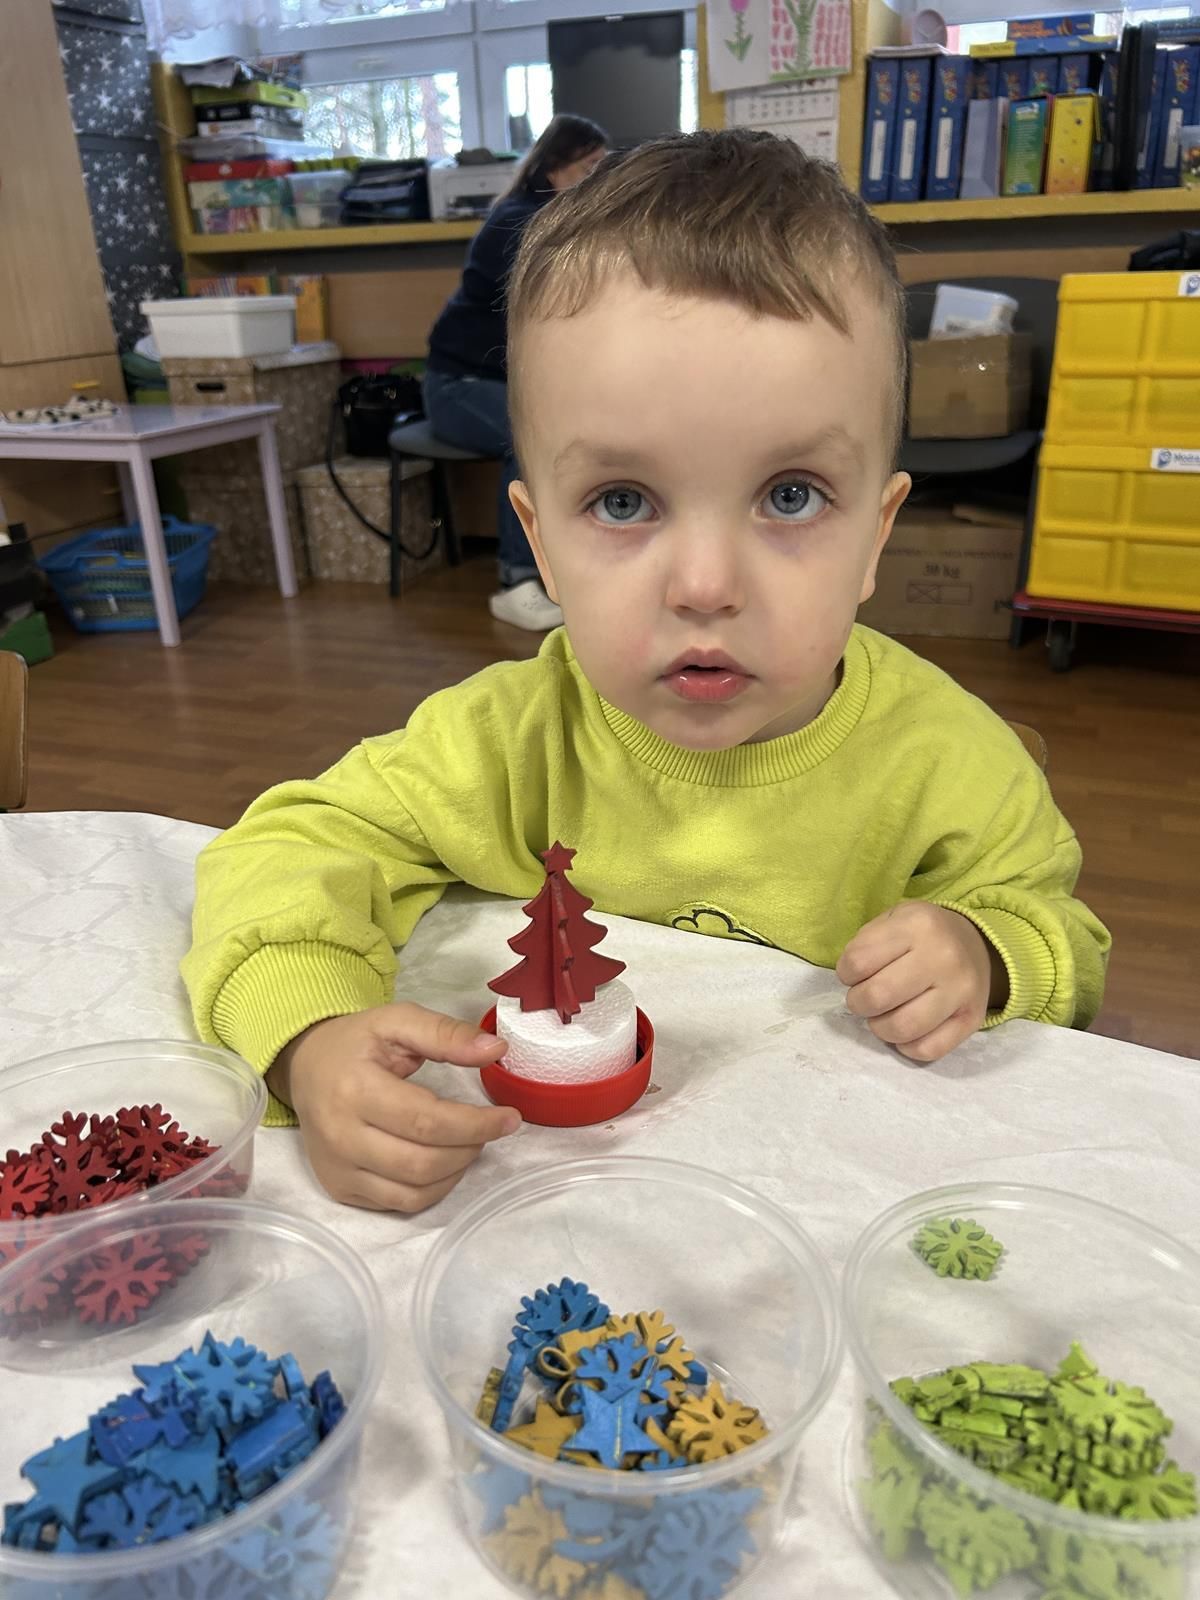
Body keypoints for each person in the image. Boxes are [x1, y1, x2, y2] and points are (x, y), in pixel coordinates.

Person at [183, 131, 1110, 1216]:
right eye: (622, 502)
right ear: (540, 542)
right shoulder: (509, 738)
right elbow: (287, 848)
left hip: (831, 1209)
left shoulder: (950, 761)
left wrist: (985, 953)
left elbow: (1063, 939)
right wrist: (310, 1038)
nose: (705, 585)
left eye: (792, 495)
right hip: (554, 1210)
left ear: (876, 534)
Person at [423, 113, 607, 632]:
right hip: (456, 388)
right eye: (590, 166)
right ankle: (516, 580)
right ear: (555, 166)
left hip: (486, 384)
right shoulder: (523, 225)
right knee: (526, 440)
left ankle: (564, 567)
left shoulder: (545, 220)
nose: (598, 178)